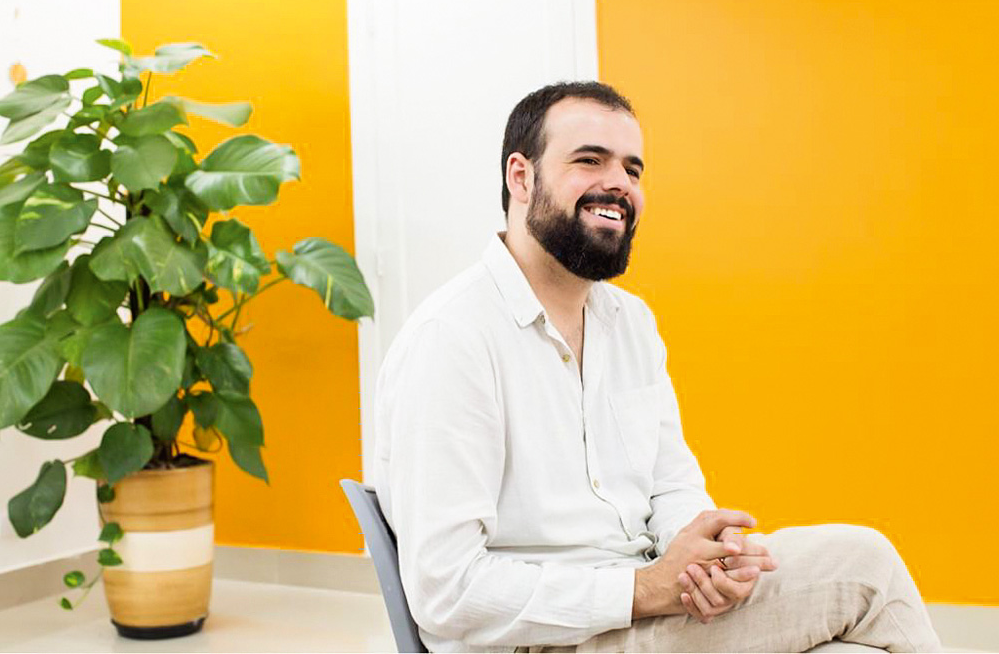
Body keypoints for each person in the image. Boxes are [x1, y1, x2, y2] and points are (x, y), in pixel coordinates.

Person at [372, 81, 941, 653]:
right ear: (521, 177)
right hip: (544, 639)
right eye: (589, 160)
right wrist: (642, 589)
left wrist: (703, 559)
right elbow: (445, 592)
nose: (619, 183)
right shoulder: (451, 340)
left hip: (643, 609)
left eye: (633, 169)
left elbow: (671, 484)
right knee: (866, 563)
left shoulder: (631, 324)